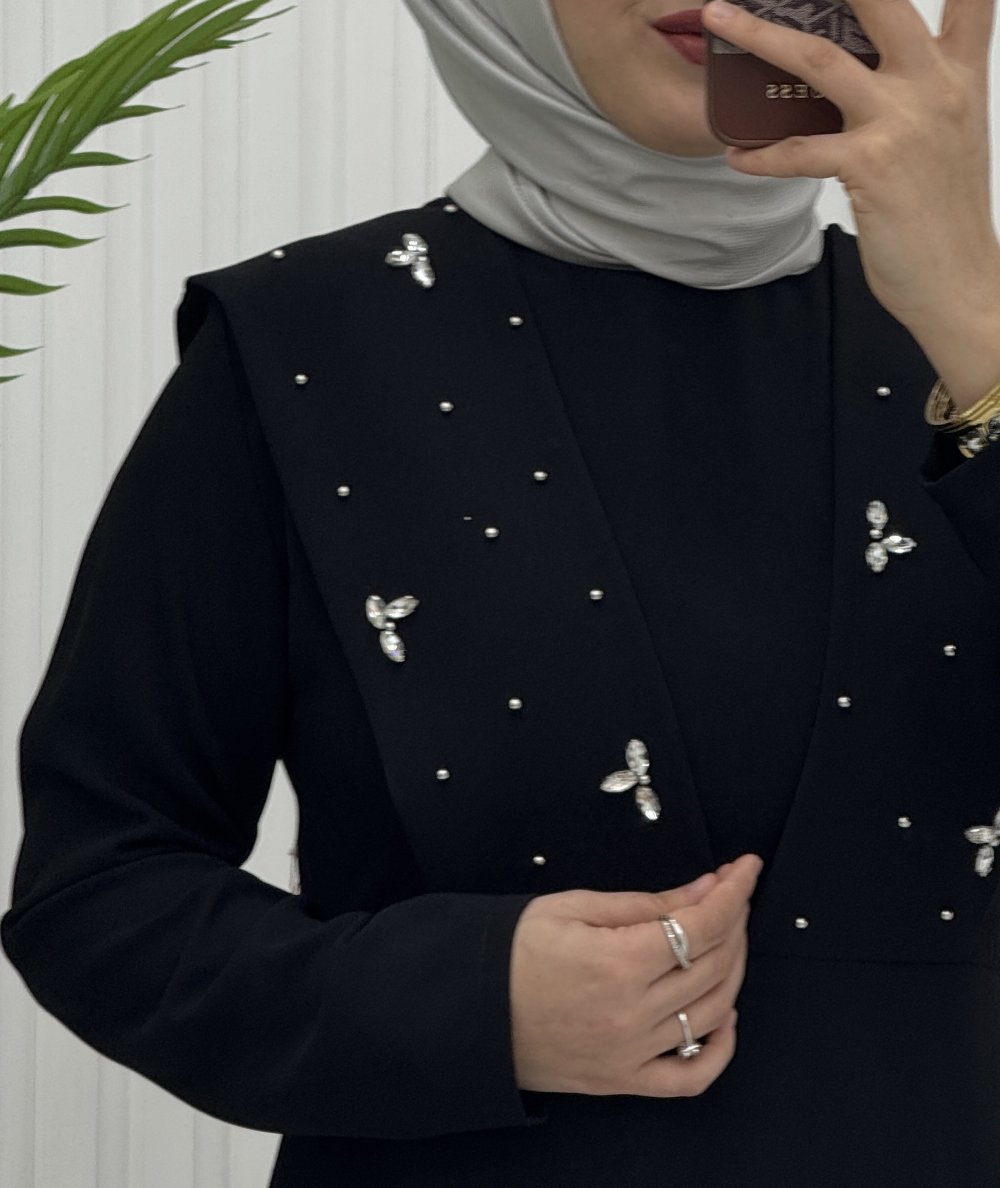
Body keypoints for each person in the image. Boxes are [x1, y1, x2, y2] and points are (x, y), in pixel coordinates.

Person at [4, 0, 1000, 1184]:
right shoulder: (302, 345)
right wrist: (469, 1003)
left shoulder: (966, 358)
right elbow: (100, 890)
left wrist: (973, 319)